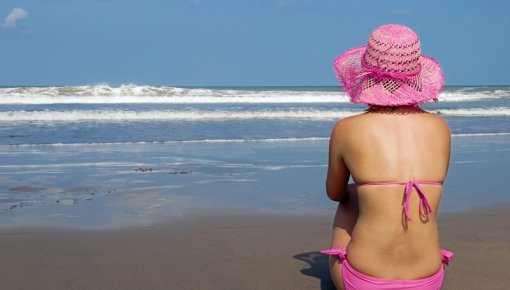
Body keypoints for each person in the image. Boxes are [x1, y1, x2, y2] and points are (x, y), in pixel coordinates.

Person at [321, 24, 453, 290]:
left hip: (364, 280)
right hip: (428, 280)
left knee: (350, 195)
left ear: (366, 75)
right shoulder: (441, 128)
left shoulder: (346, 128)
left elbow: (334, 193)